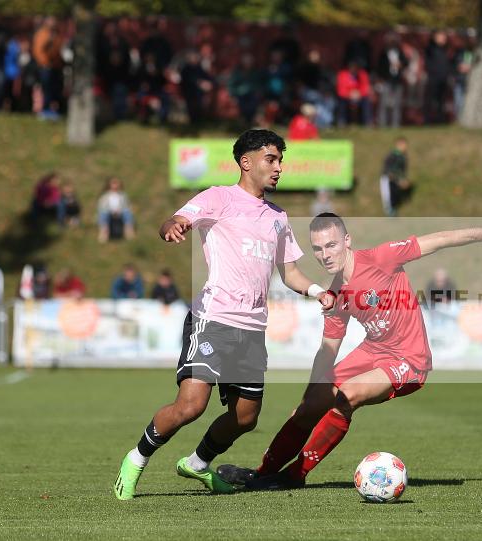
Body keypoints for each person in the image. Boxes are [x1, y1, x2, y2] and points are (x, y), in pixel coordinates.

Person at [113, 129, 335, 500]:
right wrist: (172, 226)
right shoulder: (219, 197)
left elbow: (290, 272)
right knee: (191, 405)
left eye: (280, 160)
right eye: (271, 159)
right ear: (246, 162)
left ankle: (197, 464)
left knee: (246, 418)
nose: (278, 167)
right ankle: (135, 459)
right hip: (213, 319)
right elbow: (177, 219)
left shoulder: (278, 217)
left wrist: (317, 292)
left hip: (252, 329)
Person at [216, 211, 482, 490]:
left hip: (409, 357)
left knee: (349, 395)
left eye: (331, 245)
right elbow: (328, 350)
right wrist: (312, 395)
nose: (325, 254)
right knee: (306, 409)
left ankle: (296, 474)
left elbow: (436, 240)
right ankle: (263, 474)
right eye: (317, 249)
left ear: (347, 241)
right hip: (373, 350)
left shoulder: (382, 258)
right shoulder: (335, 295)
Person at [375, 33, 407, 128]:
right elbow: (379, 68)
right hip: (386, 80)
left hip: (397, 81)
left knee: (396, 104)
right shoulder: (383, 53)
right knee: (384, 103)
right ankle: (383, 124)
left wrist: (400, 65)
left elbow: (406, 63)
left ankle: (395, 125)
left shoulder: (400, 52)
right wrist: (380, 79)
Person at [379, 137, 411, 216]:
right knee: (387, 196)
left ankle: (393, 211)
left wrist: (403, 179)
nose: (405, 147)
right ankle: (390, 213)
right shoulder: (392, 155)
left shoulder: (403, 156)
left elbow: (402, 171)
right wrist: (397, 179)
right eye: (404, 145)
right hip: (387, 179)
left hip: (395, 180)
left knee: (394, 196)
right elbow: (388, 169)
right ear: (398, 144)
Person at [97, 177, 135, 242]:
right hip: (108, 211)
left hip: (121, 212)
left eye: (116, 183)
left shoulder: (123, 195)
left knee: (127, 212)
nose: (115, 185)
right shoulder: (105, 196)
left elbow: (127, 205)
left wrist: (119, 211)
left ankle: (129, 232)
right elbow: (101, 206)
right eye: (113, 183)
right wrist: (111, 211)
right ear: (109, 185)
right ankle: (103, 234)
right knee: (103, 213)